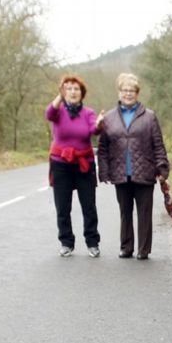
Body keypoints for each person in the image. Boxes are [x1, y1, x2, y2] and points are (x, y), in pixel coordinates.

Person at [96, 73, 170, 260]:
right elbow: (103, 148)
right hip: (120, 172)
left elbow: (158, 144)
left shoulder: (150, 117)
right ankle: (126, 247)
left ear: (137, 93)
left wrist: (162, 167)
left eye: (132, 90)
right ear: (119, 92)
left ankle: (143, 250)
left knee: (144, 213)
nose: (128, 94)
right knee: (124, 211)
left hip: (145, 171)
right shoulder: (109, 118)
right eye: (125, 90)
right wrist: (103, 171)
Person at [46, 75, 101, 257]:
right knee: (63, 207)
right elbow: (49, 113)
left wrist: (99, 124)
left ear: (82, 93)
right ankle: (66, 242)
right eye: (68, 89)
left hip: (83, 163)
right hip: (61, 164)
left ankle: (92, 242)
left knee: (89, 206)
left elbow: (94, 130)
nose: (73, 92)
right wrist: (59, 97)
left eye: (76, 89)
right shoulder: (58, 111)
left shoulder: (88, 113)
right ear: (63, 92)